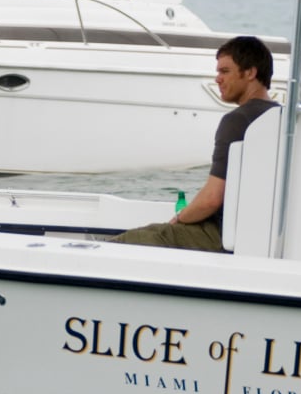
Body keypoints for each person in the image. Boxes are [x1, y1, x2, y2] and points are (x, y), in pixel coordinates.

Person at [110, 35, 280, 252]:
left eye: (225, 71)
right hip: (255, 233)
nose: (217, 78)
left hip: (220, 234)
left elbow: (211, 199)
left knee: (124, 244)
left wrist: (179, 219)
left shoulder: (238, 120)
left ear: (250, 73)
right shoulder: (278, 116)